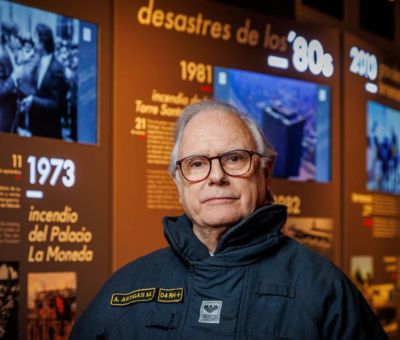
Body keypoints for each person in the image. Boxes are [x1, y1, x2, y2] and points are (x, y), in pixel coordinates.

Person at [69, 99, 387, 339]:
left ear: (266, 173)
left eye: (234, 158)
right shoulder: (124, 289)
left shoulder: (324, 291)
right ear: (178, 183)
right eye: (196, 163)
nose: (216, 176)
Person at [19, 23, 68, 139]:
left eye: (36, 38)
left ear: (43, 41)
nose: (34, 43)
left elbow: (56, 104)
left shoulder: (56, 68)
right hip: (36, 128)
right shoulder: (38, 62)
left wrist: (34, 101)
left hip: (49, 131)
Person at [0, 22, 23, 133]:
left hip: (11, 114)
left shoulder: (11, 55)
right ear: (7, 37)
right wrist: (14, 78)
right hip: (3, 116)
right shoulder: (2, 57)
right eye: (15, 36)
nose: (18, 40)